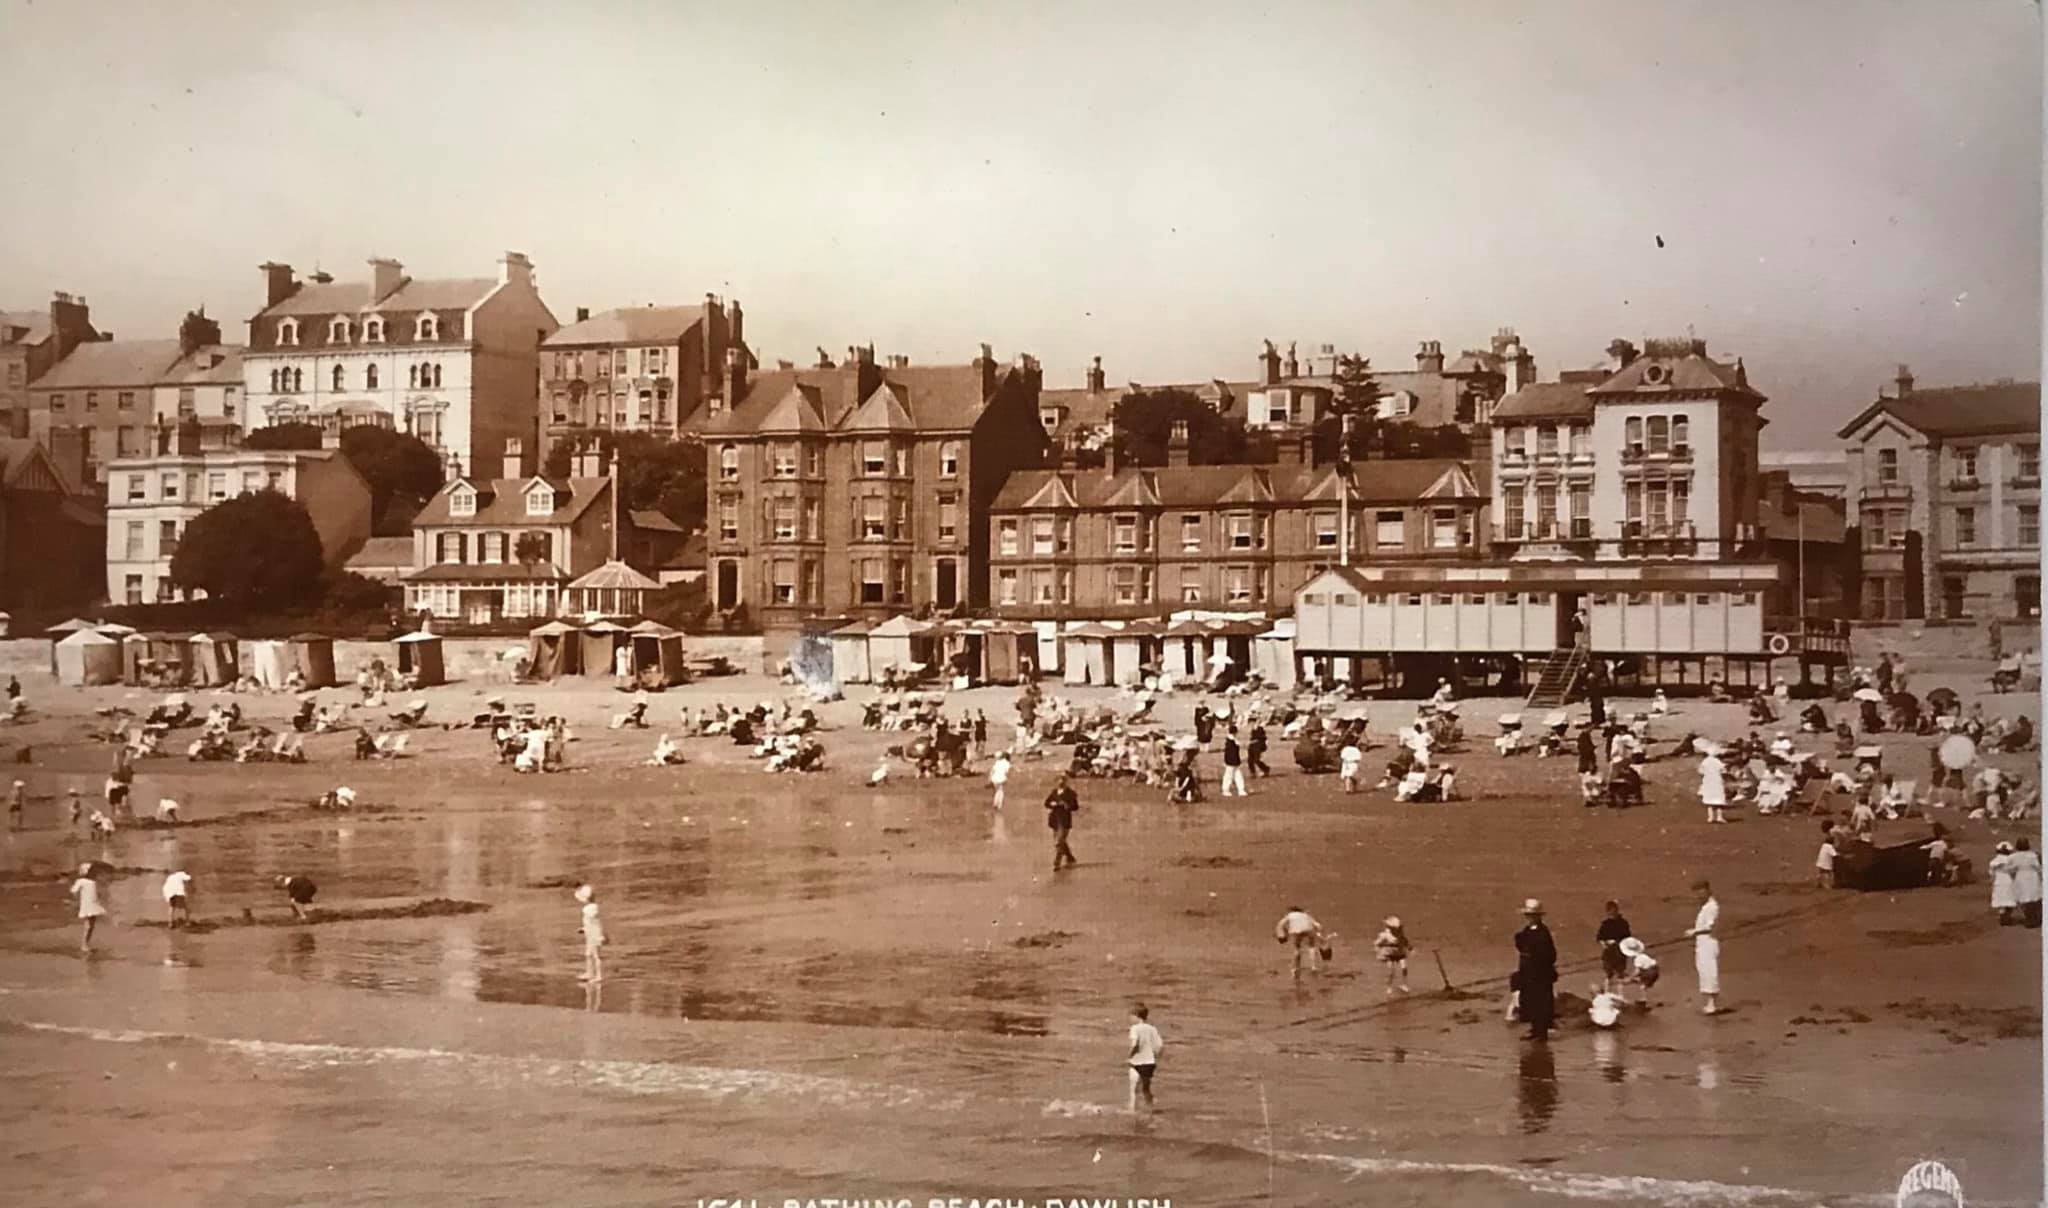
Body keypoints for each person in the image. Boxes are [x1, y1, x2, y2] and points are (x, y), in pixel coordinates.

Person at [1514, 899, 1558, 1041]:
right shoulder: (1527, 930)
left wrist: (1539, 963)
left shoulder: (1543, 932)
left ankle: (1541, 1032)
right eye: (1528, 915)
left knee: (1541, 1002)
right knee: (1530, 1001)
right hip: (1528, 972)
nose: (1530, 918)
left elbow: (1550, 954)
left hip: (1540, 973)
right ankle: (1534, 1029)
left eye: (1532, 915)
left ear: (1538, 916)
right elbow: (1522, 946)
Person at [1686, 880, 1722, 1015]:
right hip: (1702, 942)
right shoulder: (1706, 906)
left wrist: (1694, 932)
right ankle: (1710, 1003)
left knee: (1709, 971)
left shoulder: (1712, 906)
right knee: (1703, 970)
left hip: (1708, 942)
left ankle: (1712, 1004)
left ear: (1706, 890)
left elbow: (1709, 927)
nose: (1698, 895)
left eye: (1700, 892)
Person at [1125, 1003, 1164, 1112]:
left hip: (1137, 1062)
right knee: (1146, 1089)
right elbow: (1159, 1045)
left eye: (1131, 1016)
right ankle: (1150, 1109)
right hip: (1149, 1063)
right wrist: (1156, 1056)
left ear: (1136, 1015)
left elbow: (1135, 1044)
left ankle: (1132, 1111)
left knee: (1134, 1090)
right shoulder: (1152, 1029)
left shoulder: (1135, 1028)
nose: (1130, 1018)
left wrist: (1129, 1056)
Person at [1275, 905, 1326, 979]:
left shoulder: (1290, 915)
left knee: (1297, 949)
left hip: (1296, 931)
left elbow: (1280, 924)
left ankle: (1296, 968)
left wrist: (1281, 935)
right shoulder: (1306, 915)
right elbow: (1318, 925)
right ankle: (1313, 966)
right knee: (1311, 947)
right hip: (1308, 929)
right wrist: (1321, 936)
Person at [1596, 900, 1632, 997]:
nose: (1612, 912)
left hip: (1620, 951)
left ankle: (1620, 996)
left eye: (1614, 910)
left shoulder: (1623, 923)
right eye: (1610, 910)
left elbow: (1627, 937)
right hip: (1609, 952)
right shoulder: (1605, 924)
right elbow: (1600, 938)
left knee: (1620, 974)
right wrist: (1606, 944)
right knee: (1609, 974)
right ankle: (1607, 995)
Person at [1044, 774, 1079, 871]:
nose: (1060, 783)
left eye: (1062, 781)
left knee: (1059, 842)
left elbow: (1075, 807)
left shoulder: (1071, 794)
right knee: (1061, 841)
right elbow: (1046, 803)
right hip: (1054, 820)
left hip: (1065, 820)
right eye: (1058, 781)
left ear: (1065, 782)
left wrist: (1066, 806)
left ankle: (1057, 863)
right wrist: (1052, 804)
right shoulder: (1054, 792)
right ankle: (1070, 856)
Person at [70, 863, 106, 951]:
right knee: (88, 925)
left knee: (91, 925)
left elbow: (96, 893)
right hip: (87, 904)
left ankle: (86, 943)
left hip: (94, 904)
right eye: (91, 871)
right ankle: (84, 944)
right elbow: (74, 891)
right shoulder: (81, 881)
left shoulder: (93, 881)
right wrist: (77, 900)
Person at [576, 883, 607, 982]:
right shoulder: (589, 908)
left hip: (595, 935)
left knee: (596, 956)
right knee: (588, 954)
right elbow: (590, 923)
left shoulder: (591, 909)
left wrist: (601, 935)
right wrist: (584, 929)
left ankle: (598, 975)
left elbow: (595, 922)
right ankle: (589, 973)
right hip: (590, 935)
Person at [1617, 936, 1660, 1007]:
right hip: (1653, 971)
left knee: (1623, 983)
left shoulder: (1638, 959)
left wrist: (1630, 978)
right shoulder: (1644, 956)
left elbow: (1637, 971)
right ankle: (1644, 999)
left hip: (1648, 974)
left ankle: (1622, 1000)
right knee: (1643, 986)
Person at [1373, 916, 1411, 995]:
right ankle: (1389, 987)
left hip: (1400, 953)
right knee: (1392, 972)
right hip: (1390, 954)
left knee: (1404, 968)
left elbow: (1405, 942)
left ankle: (1404, 984)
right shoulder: (1385, 935)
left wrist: (1410, 948)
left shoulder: (1400, 935)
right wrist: (1378, 951)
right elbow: (1376, 943)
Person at [2012, 838, 2043, 929]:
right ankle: (2034, 919)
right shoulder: (2033, 855)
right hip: (2032, 877)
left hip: (2021, 878)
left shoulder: (2013, 856)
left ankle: (2030, 919)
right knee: (2034, 899)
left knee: (2024, 900)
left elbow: (2011, 868)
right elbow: (2038, 867)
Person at [1990, 841, 2019, 924]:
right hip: (2009, 882)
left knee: (2001, 901)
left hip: (1998, 882)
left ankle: (2003, 917)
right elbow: (2014, 872)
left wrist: (1992, 882)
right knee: (2010, 900)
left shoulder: (1993, 861)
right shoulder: (2011, 860)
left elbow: (1992, 874)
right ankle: (2007, 918)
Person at [1698, 744, 1728, 825]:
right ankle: (1719, 817)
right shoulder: (1718, 762)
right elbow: (1724, 771)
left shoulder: (1705, 761)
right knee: (1719, 801)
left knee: (1709, 801)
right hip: (1717, 781)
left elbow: (1700, 771)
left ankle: (1710, 817)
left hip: (1708, 781)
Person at [1220, 728, 1248, 797]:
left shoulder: (1231, 740)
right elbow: (1231, 752)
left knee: (1236, 775)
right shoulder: (1231, 740)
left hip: (1234, 761)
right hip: (1231, 761)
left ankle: (1240, 790)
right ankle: (1226, 790)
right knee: (1229, 776)